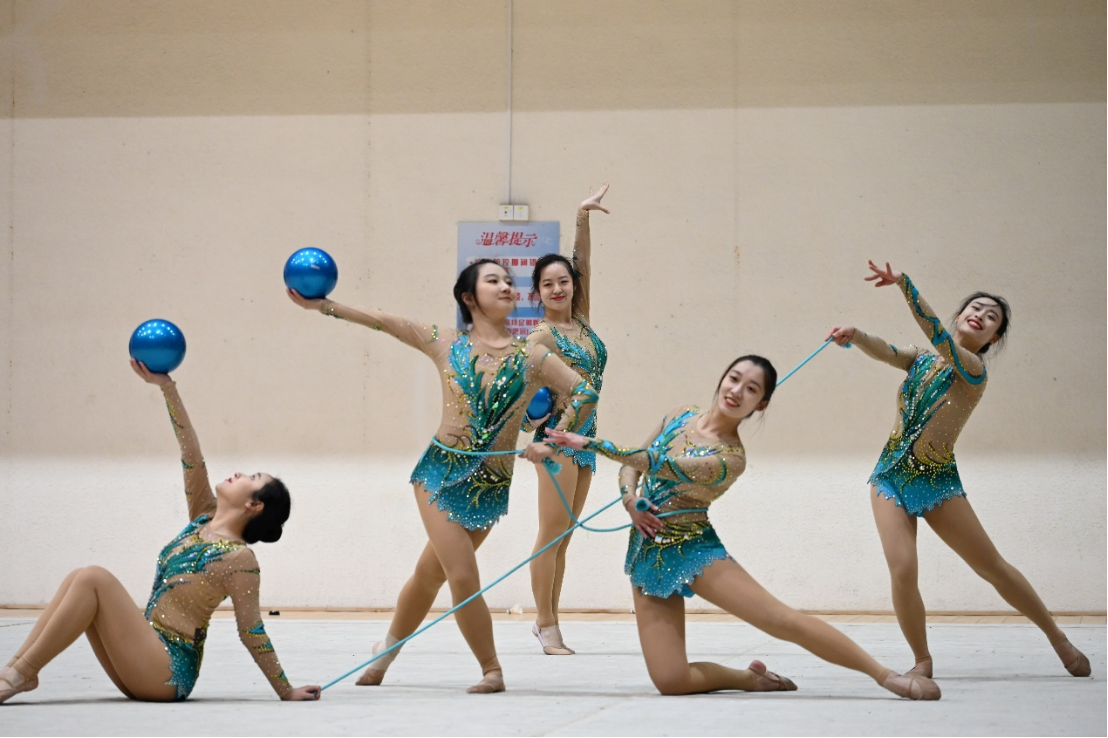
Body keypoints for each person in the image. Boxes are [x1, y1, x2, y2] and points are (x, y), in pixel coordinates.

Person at [542, 356, 941, 699]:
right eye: (734, 379)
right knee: (671, 681)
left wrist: (591, 444)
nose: (736, 391)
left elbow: (658, 463)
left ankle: (885, 676)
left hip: (694, 549)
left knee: (780, 620)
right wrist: (631, 501)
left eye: (751, 389)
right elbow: (633, 467)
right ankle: (750, 678)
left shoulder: (730, 458)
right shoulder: (680, 414)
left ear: (761, 403)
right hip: (648, 550)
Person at [287, 259, 596, 693]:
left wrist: (553, 438)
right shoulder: (446, 342)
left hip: (489, 488)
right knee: (462, 573)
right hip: (438, 474)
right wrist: (325, 306)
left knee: (429, 575)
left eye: (508, 281)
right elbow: (386, 322)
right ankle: (492, 669)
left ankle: (384, 651)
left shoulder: (531, 356)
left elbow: (585, 390)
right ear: (469, 297)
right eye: (493, 280)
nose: (505, 286)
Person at [826, 260, 1091, 679]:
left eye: (992, 317)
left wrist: (904, 285)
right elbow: (887, 350)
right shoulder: (921, 360)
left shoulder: (973, 371)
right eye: (976, 307)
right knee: (903, 569)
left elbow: (937, 334)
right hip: (889, 477)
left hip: (937, 481)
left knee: (991, 568)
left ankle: (1059, 638)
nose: (981, 315)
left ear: (994, 337)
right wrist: (855, 335)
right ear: (961, 313)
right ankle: (922, 660)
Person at [0, 361, 320, 704]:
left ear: (255, 505)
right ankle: (16, 671)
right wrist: (167, 387)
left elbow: (251, 631)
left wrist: (285, 690)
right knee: (77, 577)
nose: (239, 473)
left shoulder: (240, 559)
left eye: (252, 478)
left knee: (93, 577)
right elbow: (190, 452)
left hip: (167, 673)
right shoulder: (202, 516)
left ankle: (21, 674)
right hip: (143, 657)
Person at [525, 184, 610, 655]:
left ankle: (551, 621)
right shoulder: (540, 337)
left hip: (586, 441)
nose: (558, 289)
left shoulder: (582, 321)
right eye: (548, 284)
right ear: (537, 292)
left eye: (564, 281)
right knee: (550, 536)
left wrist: (582, 216)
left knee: (565, 538)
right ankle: (545, 623)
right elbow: (522, 399)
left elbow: (585, 263)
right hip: (558, 440)